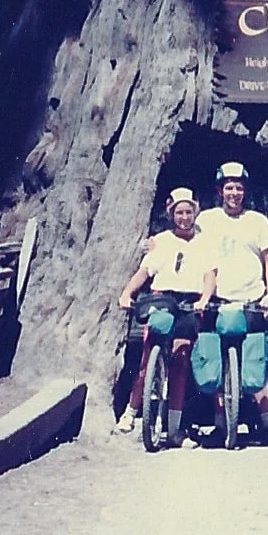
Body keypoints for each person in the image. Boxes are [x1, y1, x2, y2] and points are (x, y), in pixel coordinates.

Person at [116, 188, 215, 447]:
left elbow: (209, 275)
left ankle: (173, 429)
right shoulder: (162, 240)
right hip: (163, 297)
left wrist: (204, 299)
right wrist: (127, 293)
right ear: (171, 214)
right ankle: (131, 412)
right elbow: (145, 271)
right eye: (179, 212)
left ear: (195, 212)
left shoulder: (204, 241)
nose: (184, 217)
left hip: (189, 300)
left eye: (188, 212)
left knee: (181, 362)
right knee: (148, 356)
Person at [195, 162, 268, 446]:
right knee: (217, 363)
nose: (234, 193)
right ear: (220, 190)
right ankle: (221, 425)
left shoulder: (257, 221)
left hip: (251, 297)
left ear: (245, 191)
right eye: (229, 187)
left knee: (255, 361)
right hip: (217, 298)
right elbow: (185, 242)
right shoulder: (205, 220)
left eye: (239, 188)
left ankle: (267, 423)